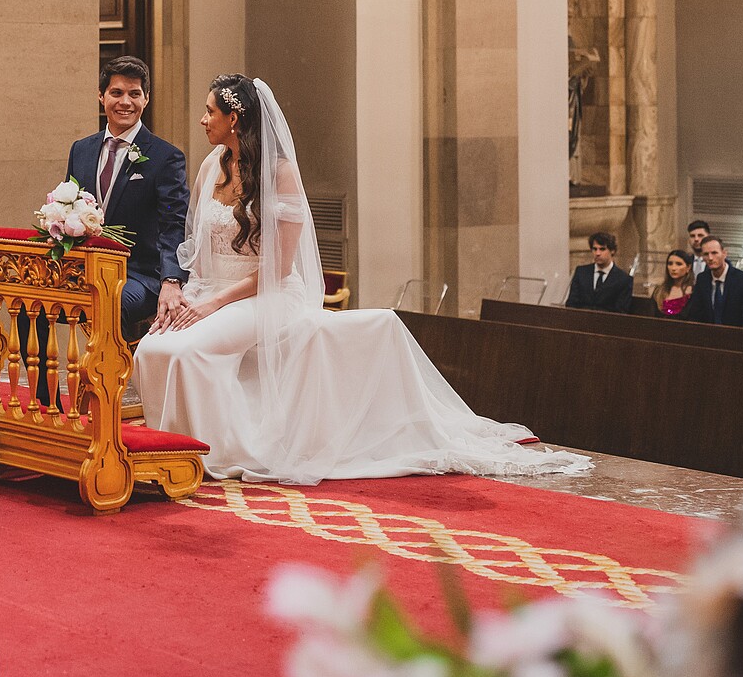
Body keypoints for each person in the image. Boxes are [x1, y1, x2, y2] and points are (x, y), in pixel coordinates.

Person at [131, 74, 587, 483]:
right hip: (214, 290)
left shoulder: (280, 174)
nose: (202, 119)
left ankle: (217, 453)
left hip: (266, 294)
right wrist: (185, 295)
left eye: (210, 111)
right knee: (153, 346)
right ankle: (168, 447)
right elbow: (200, 248)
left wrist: (212, 305)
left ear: (234, 118)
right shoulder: (213, 165)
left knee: (190, 350)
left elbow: (277, 269)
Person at [64, 57, 188, 328]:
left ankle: (105, 372)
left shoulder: (166, 157)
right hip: (85, 270)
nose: (125, 102)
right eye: (116, 93)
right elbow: (68, 209)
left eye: (134, 94)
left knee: (108, 305)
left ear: (146, 99)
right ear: (101, 96)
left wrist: (171, 280)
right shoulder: (80, 150)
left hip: (140, 277)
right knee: (30, 307)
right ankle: (40, 374)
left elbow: (174, 225)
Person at [679, 236, 743, 326]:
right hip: (708, 335)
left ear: (724, 253)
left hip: (735, 335)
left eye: (714, 253)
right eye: (706, 254)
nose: (710, 258)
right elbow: (696, 313)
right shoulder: (702, 279)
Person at [565, 231, 634, 312]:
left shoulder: (623, 279)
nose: (597, 253)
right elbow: (571, 304)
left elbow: (621, 311)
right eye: (594, 249)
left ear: (612, 251)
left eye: (602, 249)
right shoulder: (581, 272)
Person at [655, 249, 693, 316]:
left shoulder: (694, 292)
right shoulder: (659, 290)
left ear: (688, 267)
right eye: (670, 264)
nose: (673, 268)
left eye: (679, 264)